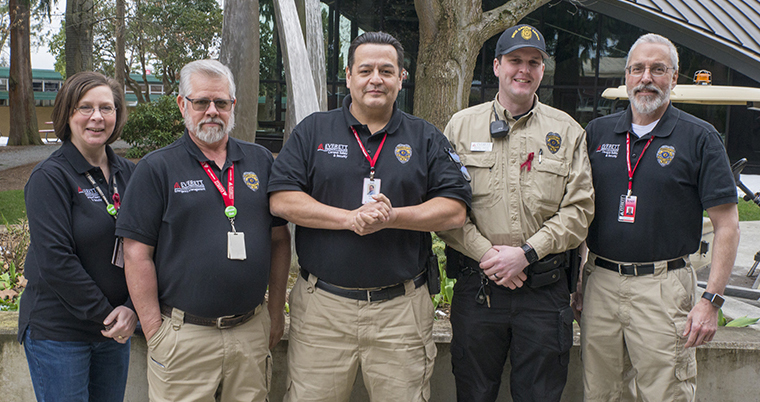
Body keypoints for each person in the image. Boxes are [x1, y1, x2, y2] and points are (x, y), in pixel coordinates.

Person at [268, 31, 471, 401]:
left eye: (386, 70)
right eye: (365, 70)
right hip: (322, 310)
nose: (375, 78)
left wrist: (391, 217)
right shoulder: (313, 130)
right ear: (348, 76)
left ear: (401, 77)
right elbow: (282, 199)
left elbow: (455, 209)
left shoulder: (425, 137)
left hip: (401, 312)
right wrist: (349, 219)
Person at [576, 33, 740, 401]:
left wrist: (711, 301)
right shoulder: (598, 133)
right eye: (637, 69)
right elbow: (580, 211)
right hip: (600, 283)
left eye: (657, 69)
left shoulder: (700, 137)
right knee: (600, 393)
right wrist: (579, 279)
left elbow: (727, 225)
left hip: (663, 288)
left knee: (666, 394)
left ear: (674, 77)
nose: (646, 77)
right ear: (627, 77)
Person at [115, 59, 291, 402]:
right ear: (183, 104)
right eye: (201, 102)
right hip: (184, 336)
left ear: (233, 106)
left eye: (221, 103)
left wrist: (274, 312)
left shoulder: (260, 162)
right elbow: (136, 252)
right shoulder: (157, 168)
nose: (212, 111)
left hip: (250, 332)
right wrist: (155, 330)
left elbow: (280, 239)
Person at [437, 24, 595, 401]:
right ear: (496, 66)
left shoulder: (568, 131)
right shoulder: (461, 126)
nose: (523, 70)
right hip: (479, 290)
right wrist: (489, 256)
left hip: (543, 292)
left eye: (533, 62)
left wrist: (525, 254)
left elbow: (579, 209)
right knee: (474, 393)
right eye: (515, 60)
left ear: (542, 71)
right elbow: (444, 204)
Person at [19, 71, 137, 402]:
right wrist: (110, 315)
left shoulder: (131, 174)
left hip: (114, 331)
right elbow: (56, 261)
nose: (97, 117)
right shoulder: (50, 177)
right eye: (85, 107)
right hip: (59, 333)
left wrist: (131, 308)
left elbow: (149, 247)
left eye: (107, 108)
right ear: (67, 114)